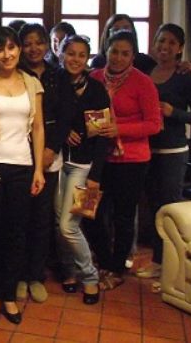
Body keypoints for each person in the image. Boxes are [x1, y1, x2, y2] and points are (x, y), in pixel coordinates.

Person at [0, 26, 45, 325]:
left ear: (18, 50)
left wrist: (38, 169)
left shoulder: (32, 83)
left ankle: (9, 294)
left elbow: (38, 128)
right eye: (0, 49)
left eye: (11, 48)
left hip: (22, 165)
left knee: (17, 232)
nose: (7, 54)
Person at [87, 29, 162, 290]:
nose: (118, 58)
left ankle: (116, 268)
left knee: (123, 216)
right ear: (106, 50)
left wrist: (120, 129)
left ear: (133, 55)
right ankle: (104, 260)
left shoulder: (143, 82)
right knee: (89, 211)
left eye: (125, 53)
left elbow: (154, 124)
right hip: (99, 159)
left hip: (132, 160)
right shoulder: (94, 77)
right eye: (114, 51)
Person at [139, 24, 191, 280]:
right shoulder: (146, 69)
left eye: (171, 43)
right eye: (161, 41)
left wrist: (173, 112)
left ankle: (171, 265)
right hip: (147, 150)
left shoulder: (186, 77)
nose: (164, 47)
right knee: (153, 205)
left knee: (169, 208)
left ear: (179, 48)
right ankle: (158, 261)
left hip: (172, 152)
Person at [16, 23, 74, 303]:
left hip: (49, 154)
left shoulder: (58, 76)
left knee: (41, 218)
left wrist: (52, 147)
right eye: (27, 43)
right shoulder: (15, 74)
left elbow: (65, 117)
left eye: (39, 42)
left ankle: (35, 275)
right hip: (18, 154)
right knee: (19, 217)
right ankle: (17, 275)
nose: (34, 48)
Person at [54, 35, 110, 305]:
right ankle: (69, 271)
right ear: (61, 54)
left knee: (69, 225)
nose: (75, 59)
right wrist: (63, 132)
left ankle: (89, 277)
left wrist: (96, 177)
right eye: (70, 53)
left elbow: (103, 136)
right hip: (55, 162)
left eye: (81, 55)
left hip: (83, 167)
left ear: (87, 58)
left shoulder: (96, 89)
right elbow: (46, 119)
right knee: (57, 221)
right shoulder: (54, 82)